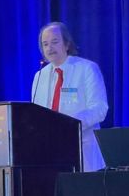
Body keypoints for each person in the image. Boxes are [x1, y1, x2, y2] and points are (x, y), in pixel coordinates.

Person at [31, 22, 108, 171]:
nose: (49, 48)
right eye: (45, 44)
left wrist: (69, 126)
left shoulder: (87, 69)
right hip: (50, 153)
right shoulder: (39, 76)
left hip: (82, 149)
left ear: (67, 44)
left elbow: (99, 108)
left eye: (55, 42)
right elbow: (36, 114)